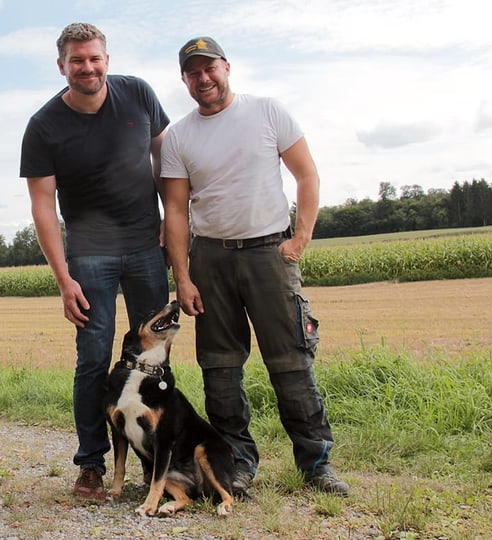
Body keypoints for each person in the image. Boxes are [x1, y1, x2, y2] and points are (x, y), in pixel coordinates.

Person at [160, 36, 349, 498]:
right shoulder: (178, 136)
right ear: (184, 80)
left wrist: (300, 237)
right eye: (193, 72)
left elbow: (307, 174)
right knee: (220, 369)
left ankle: (316, 464)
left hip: (270, 252)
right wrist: (183, 277)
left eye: (210, 68)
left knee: (291, 363)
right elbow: (177, 212)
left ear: (227, 67)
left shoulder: (268, 111)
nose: (203, 79)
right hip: (212, 259)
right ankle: (237, 464)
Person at [19, 22, 171, 501]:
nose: (88, 67)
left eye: (95, 58)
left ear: (107, 58)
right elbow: (43, 206)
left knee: (154, 359)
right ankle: (90, 465)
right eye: (77, 60)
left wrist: (172, 217)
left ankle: (153, 459)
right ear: (61, 65)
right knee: (93, 358)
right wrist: (64, 278)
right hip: (90, 255)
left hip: (148, 247)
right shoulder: (44, 126)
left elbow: (167, 160)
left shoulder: (139, 95)